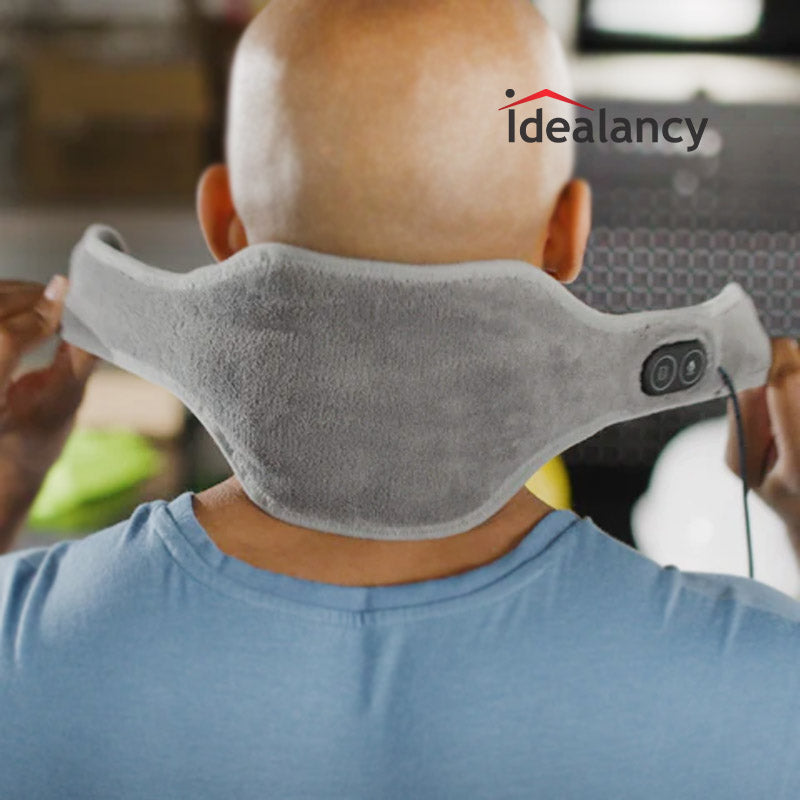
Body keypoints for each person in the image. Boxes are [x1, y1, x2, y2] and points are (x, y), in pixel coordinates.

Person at [0, 1, 799, 797]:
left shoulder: (22, 638)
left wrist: (10, 481)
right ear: (566, 233)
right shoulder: (758, 674)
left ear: (223, 221)